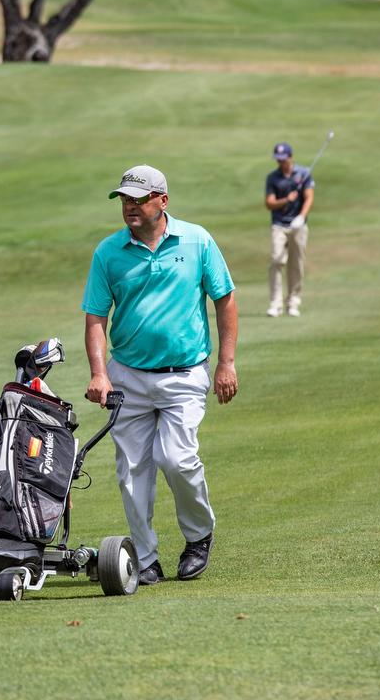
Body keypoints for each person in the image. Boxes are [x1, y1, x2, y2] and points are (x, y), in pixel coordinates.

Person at [81, 165, 238, 586]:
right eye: (125, 200)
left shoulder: (197, 240)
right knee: (132, 471)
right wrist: (99, 373)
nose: (130, 207)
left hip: (184, 374)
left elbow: (224, 299)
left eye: (139, 199)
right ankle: (145, 558)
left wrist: (226, 363)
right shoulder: (109, 252)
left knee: (177, 459)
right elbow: (96, 317)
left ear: (162, 201)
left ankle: (198, 535)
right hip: (127, 376)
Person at [264, 141, 315, 317]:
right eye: (278, 159)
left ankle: (293, 302)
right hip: (279, 224)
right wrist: (286, 200)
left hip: (298, 226)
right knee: (276, 260)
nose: (280, 162)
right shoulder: (273, 178)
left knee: (296, 264)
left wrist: (301, 217)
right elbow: (269, 203)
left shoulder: (303, 174)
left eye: (283, 159)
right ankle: (275, 303)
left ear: (290, 157)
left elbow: (309, 198)